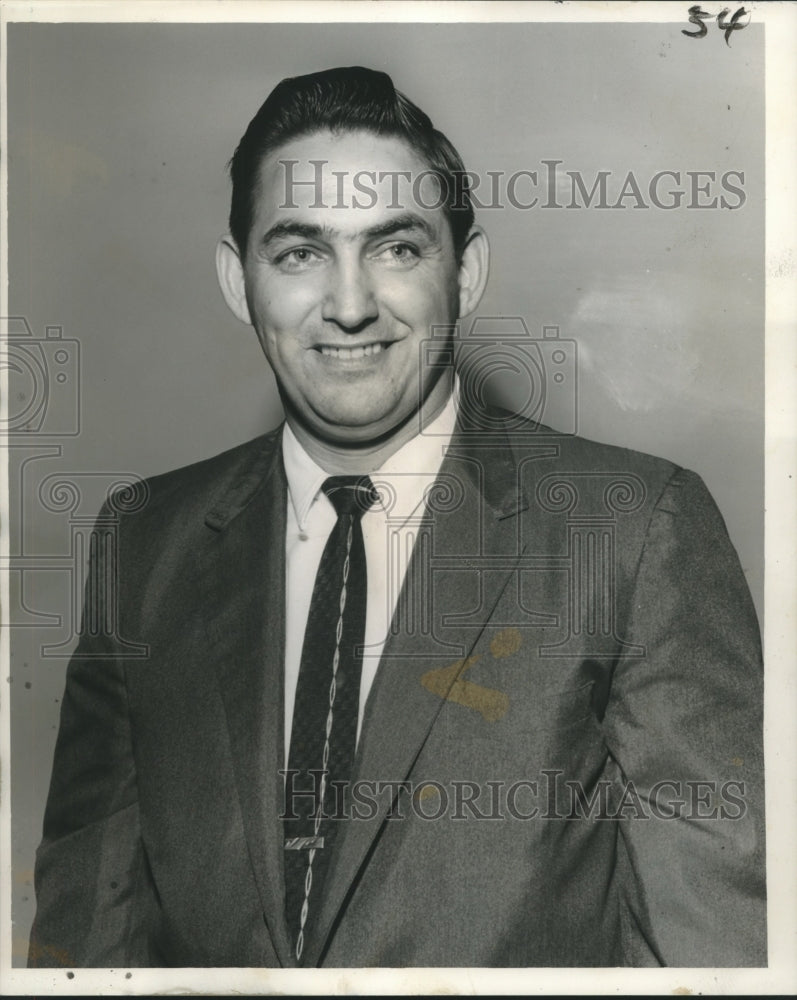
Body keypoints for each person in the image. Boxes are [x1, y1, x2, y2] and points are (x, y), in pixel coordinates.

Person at [28, 66, 765, 969]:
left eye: (396, 248)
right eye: (299, 252)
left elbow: (713, 956)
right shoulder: (142, 541)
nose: (348, 305)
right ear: (237, 281)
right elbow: (86, 944)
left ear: (468, 270)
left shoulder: (634, 529)